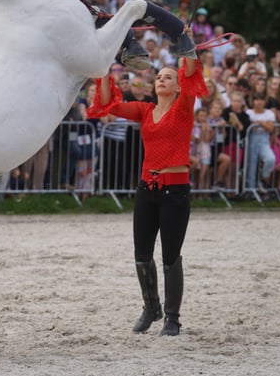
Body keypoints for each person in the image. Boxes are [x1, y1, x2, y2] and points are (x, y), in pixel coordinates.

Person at [87, 27, 205, 336]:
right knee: (141, 254)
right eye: (158, 77)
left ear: (178, 86)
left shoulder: (182, 108)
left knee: (170, 255)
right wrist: (102, 69)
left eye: (168, 76)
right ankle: (150, 307)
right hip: (146, 189)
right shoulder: (145, 110)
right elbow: (107, 105)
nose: (161, 80)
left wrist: (185, 43)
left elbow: (190, 72)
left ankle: (172, 317)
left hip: (175, 191)